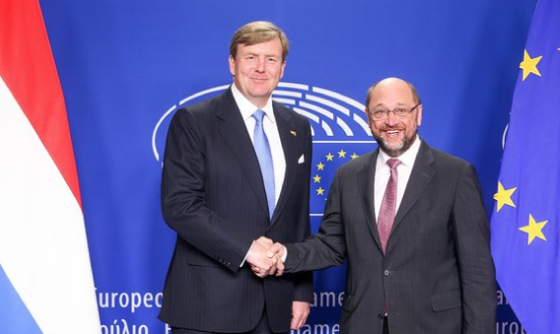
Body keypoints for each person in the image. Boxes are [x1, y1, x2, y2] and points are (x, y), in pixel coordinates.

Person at [261, 77, 496, 334]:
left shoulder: (456, 175)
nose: (391, 121)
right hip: (363, 325)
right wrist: (282, 254)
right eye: (381, 112)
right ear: (368, 117)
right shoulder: (348, 176)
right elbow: (330, 246)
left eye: (401, 111)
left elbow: (477, 271)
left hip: (432, 326)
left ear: (418, 114)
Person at [159, 21, 313, 334]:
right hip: (208, 305)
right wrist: (248, 248)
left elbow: (297, 215)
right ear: (233, 63)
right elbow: (181, 206)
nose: (260, 68)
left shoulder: (297, 126)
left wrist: (300, 290)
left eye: (271, 59)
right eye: (250, 57)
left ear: (282, 68)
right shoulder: (194, 121)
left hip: (276, 304)